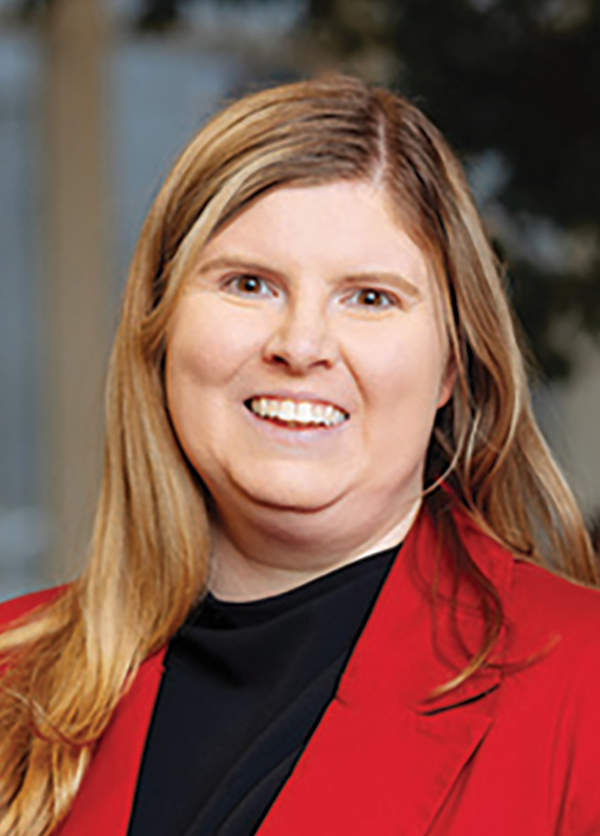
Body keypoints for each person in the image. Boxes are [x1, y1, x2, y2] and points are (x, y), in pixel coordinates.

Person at [1, 74, 599, 836]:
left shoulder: (585, 686)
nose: (301, 345)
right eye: (249, 284)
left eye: (370, 297)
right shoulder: (9, 677)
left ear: (452, 364)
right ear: (161, 330)